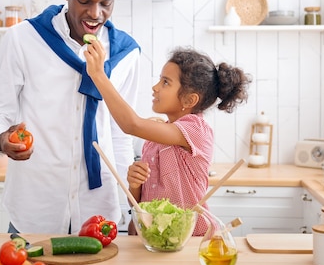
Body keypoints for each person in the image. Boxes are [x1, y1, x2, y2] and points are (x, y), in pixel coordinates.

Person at [0, 0, 141, 234]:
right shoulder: (23, 39)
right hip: (34, 209)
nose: (95, 13)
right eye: (84, 1)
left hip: (99, 213)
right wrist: (2, 140)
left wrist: (133, 206)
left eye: (106, 3)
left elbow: (121, 135)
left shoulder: (126, 54)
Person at [85, 44, 251, 235]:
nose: (155, 87)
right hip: (153, 238)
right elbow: (137, 204)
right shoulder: (153, 140)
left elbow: (132, 125)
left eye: (165, 82)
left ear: (189, 100)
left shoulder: (196, 129)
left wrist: (98, 74)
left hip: (191, 240)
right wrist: (134, 184)